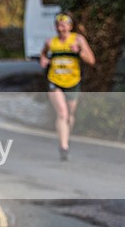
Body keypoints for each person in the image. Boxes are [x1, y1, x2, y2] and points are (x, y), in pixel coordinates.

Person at [39, 13, 95, 161]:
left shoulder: (78, 40)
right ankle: (63, 147)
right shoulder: (50, 42)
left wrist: (79, 52)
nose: (61, 26)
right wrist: (44, 60)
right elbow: (43, 54)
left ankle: (66, 137)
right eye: (58, 24)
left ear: (70, 26)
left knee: (69, 115)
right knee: (62, 113)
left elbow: (91, 60)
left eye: (64, 24)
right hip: (55, 81)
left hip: (73, 81)